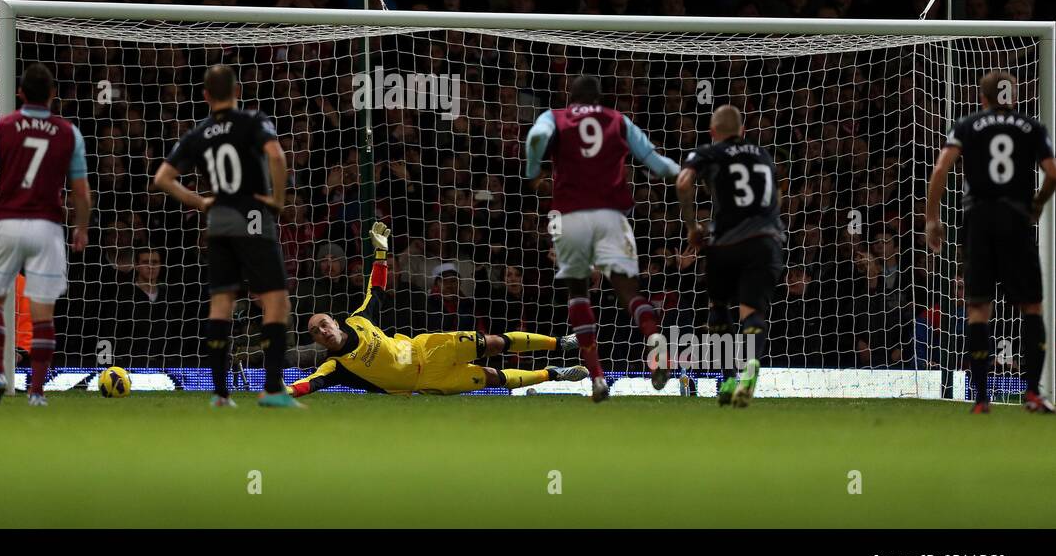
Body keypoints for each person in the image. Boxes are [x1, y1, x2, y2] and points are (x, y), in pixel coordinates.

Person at [290, 223, 585, 397]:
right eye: (316, 332)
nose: (323, 331)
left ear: (336, 322)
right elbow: (308, 384)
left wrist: (381, 252)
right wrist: (283, 391)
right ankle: (555, 374)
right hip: (428, 382)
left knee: (494, 343)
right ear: (316, 341)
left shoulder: (359, 321)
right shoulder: (335, 366)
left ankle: (561, 343)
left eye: (324, 324)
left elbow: (375, 289)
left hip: (429, 348)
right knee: (493, 376)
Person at [524, 73, 680, 401]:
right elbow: (658, 164)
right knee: (629, 292)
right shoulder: (618, 120)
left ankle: (596, 377)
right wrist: (684, 172)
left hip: (570, 218)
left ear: (571, 98)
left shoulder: (555, 117)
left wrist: (532, 167)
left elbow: (537, 137)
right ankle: (655, 341)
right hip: (612, 216)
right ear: (600, 100)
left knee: (578, 293)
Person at [153, 64, 298, 408]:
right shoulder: (253, 120)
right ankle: (273, 389)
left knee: (221, 303)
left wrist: (200, 202)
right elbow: (276, 156)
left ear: (205, 96)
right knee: (274, 299)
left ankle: (220, 394)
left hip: (218, 220)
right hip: (250, 215)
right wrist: (277, 199)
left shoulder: (198, 133)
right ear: (237, 92)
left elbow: (162, 178)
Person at [926, 69, 1056, 413]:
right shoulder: (1031, 127)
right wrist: (1038, 203)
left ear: (981, 97)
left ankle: (982, 398)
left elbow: (941, 169)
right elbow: (1053, 172)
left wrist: (931, 219)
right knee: (1031, 306)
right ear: (1012, 96)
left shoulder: (967, 124)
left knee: (979, 308)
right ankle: (1032, 394)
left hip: (978, 220)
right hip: (1016, 218)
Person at [0, 63, 91, 406]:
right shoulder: (68, 132)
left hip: (7, 223)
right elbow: (81, 191)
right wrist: (80, 228)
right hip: (47, 227)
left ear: (20, 94)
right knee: (43, 313)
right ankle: (36, 392)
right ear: (53, 96)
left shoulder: (3, 126)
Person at [676, 104, 785, 407]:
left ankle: (727, 380)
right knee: (752, 313)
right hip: (766, 241)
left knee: (719, 306)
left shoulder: (710, 152)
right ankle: (750, 368)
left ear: (713, 132)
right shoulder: (763, 154)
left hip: (726, 242)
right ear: (743, 131)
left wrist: (691, 226)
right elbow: (776, 195)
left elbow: (683, 181)